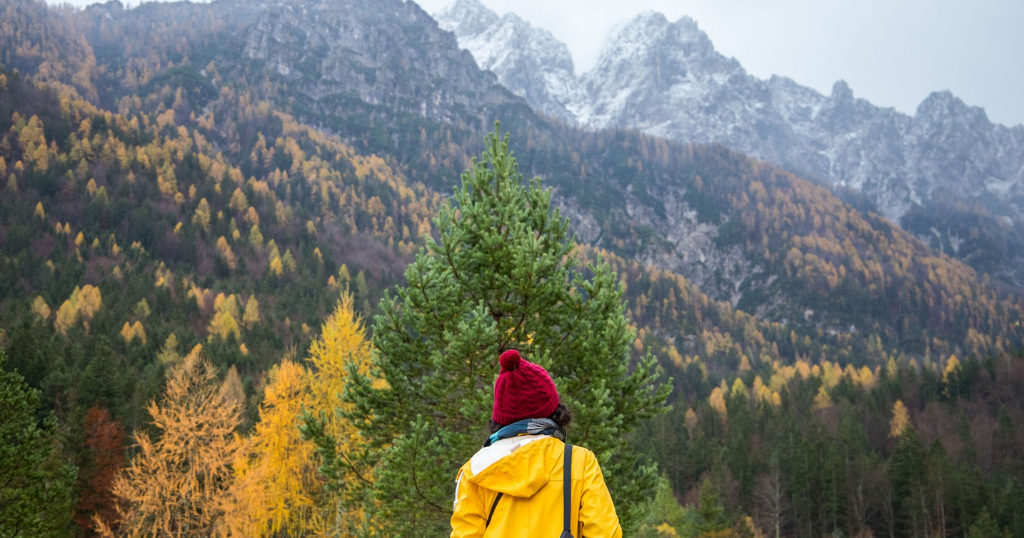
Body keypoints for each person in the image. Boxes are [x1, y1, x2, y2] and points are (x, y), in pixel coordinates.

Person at [450, 349, 622, 537]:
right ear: (556, 412)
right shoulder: (579, 462)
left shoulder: (474, 472)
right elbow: (605, 534)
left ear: (499, 418)